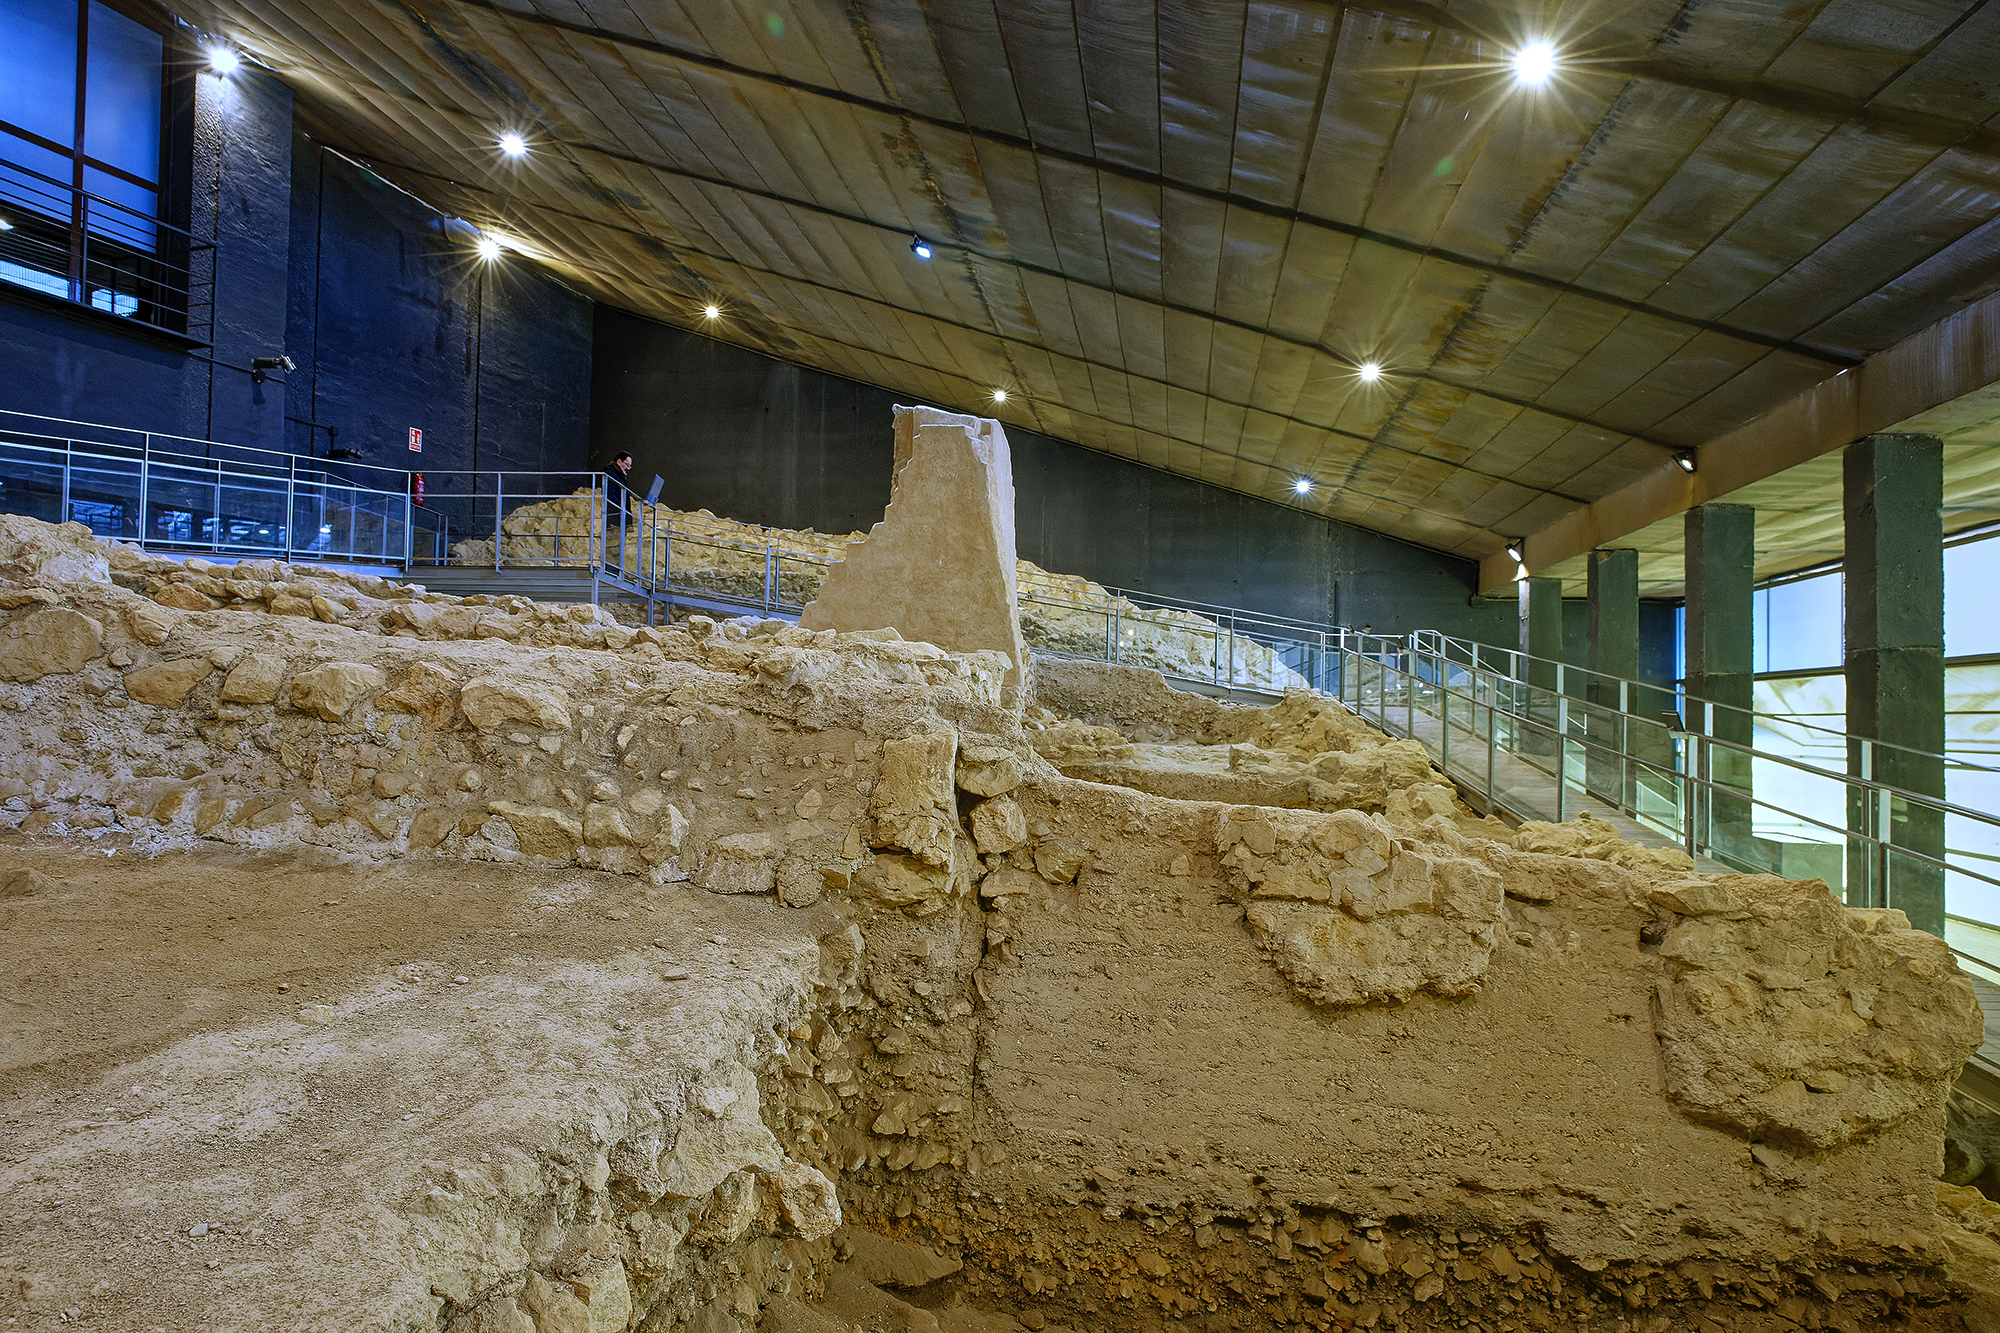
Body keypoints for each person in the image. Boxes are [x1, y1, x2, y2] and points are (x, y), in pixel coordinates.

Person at [601, 452, 634, 561]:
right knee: (613, 550)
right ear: (619, 461)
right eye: (627, 465)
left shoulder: (618, 475)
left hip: (619, 516)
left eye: (630, 466)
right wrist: (621, 508)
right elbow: (610, 494)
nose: (628, 468)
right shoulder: (611, 474)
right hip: (615, 518)